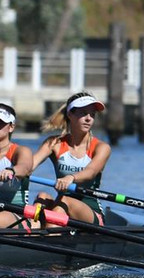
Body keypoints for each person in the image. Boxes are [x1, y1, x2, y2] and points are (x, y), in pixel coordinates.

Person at [29, 91, 112, 224]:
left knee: (63, 200)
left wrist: (71, 178)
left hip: (91, 213)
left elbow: (90, 172)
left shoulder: (101, 148)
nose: (88, 118)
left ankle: (47, 236)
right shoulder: (54, 143)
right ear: (70, 115)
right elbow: (28, 166)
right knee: (42, 197)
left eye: (92, 114)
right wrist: (13, 170)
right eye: (83, 113)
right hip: (60, 208)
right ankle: (33, 231)